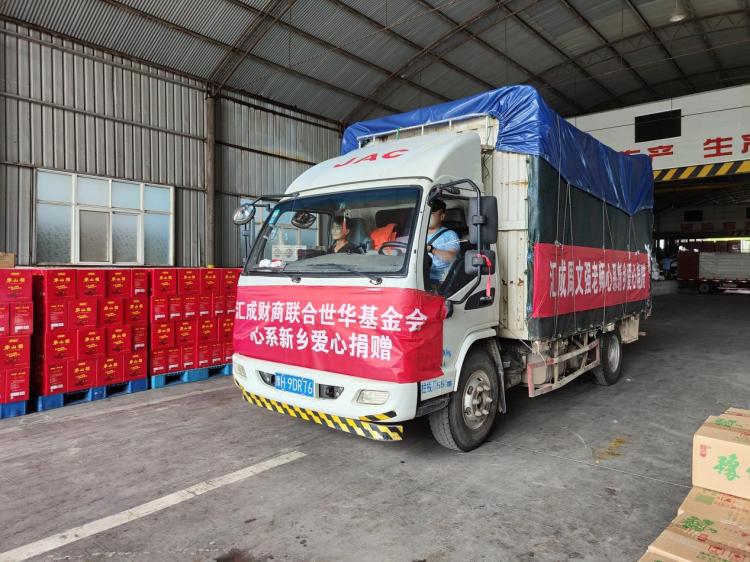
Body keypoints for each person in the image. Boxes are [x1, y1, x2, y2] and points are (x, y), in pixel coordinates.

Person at [426, 199, 459, 285]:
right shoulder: (418, 233)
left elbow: (452, 257)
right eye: (425, 213)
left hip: (441, 281)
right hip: (420, 278)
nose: (427, 216)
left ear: (442, 217)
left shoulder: (450, 234)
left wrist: (432, 249)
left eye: (431, 213)